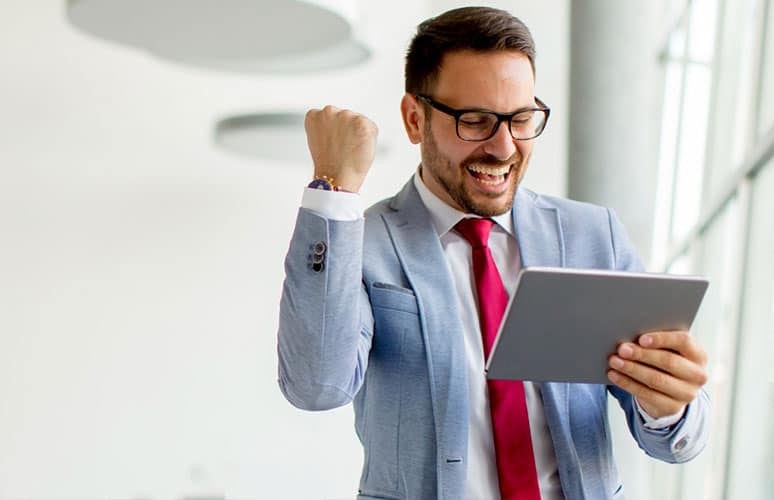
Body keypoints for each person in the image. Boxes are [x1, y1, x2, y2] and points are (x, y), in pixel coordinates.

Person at [276, 6, 710, 500]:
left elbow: (676, 441)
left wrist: (669, 402)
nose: (504, 148)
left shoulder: (593, 236)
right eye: (475, 121)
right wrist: (335, 191)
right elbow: (316, 386)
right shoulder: (363, 241)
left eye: (521, 118)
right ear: (415, 119)